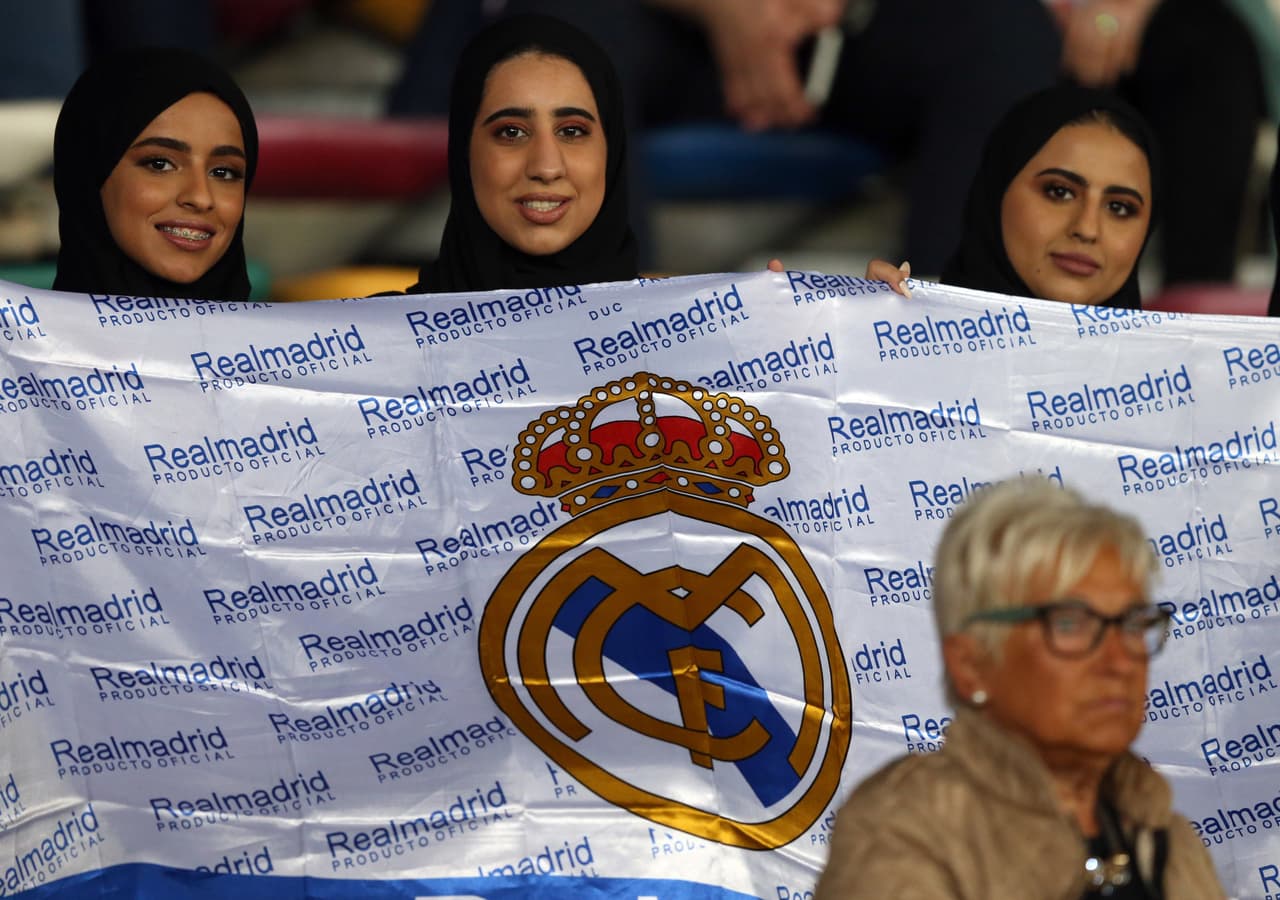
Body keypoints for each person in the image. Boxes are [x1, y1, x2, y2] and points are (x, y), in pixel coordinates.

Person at [814, 477, 1224, 899]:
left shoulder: (1168, 840)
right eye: (1069, 624)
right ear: (970, 665)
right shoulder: (905, 831)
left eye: (1133, 624)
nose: (1120, 661)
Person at [400, 14, 638, 295]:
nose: (546, 167)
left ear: (612, 152)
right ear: (465, 153)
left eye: (571, 131)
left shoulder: (680, 332)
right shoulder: (381, 337)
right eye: (511, 132)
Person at [868, 85, 1156, 308]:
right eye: (1059, 192)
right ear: (996, 193)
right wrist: (858, 344)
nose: (1087, 229)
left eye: (1119, 208)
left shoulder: (1179, 379)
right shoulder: (897, 347)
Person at [52, 47, 257, 300]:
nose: (201, 197)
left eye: (223, 172)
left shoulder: (288, 340)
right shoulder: (18, 340)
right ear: (90, 175)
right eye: (160, 164)